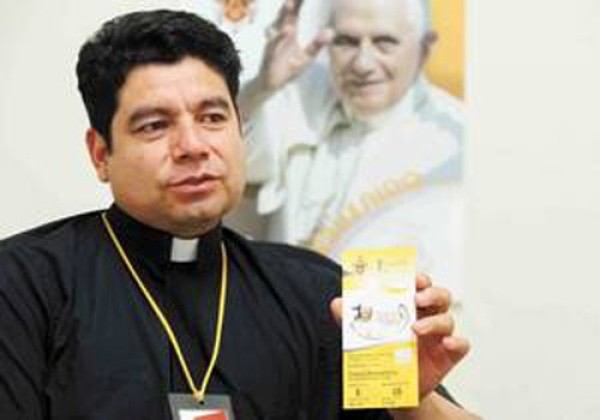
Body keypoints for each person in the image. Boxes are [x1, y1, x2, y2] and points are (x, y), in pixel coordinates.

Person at [0, 9, 476, 420]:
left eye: (212, 117)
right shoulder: (23, 286)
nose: (192, 146)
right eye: (155, 125)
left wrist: (413, 402)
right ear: (101, 153)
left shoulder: (320, 293)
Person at [239, 0, 464, 295]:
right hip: (289, 309)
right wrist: (262, 88)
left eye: (384, 43)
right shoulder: (304, 97)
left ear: (425, 48)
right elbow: (240, 166)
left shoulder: (456, 140)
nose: (362, 64)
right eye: (346, 42)